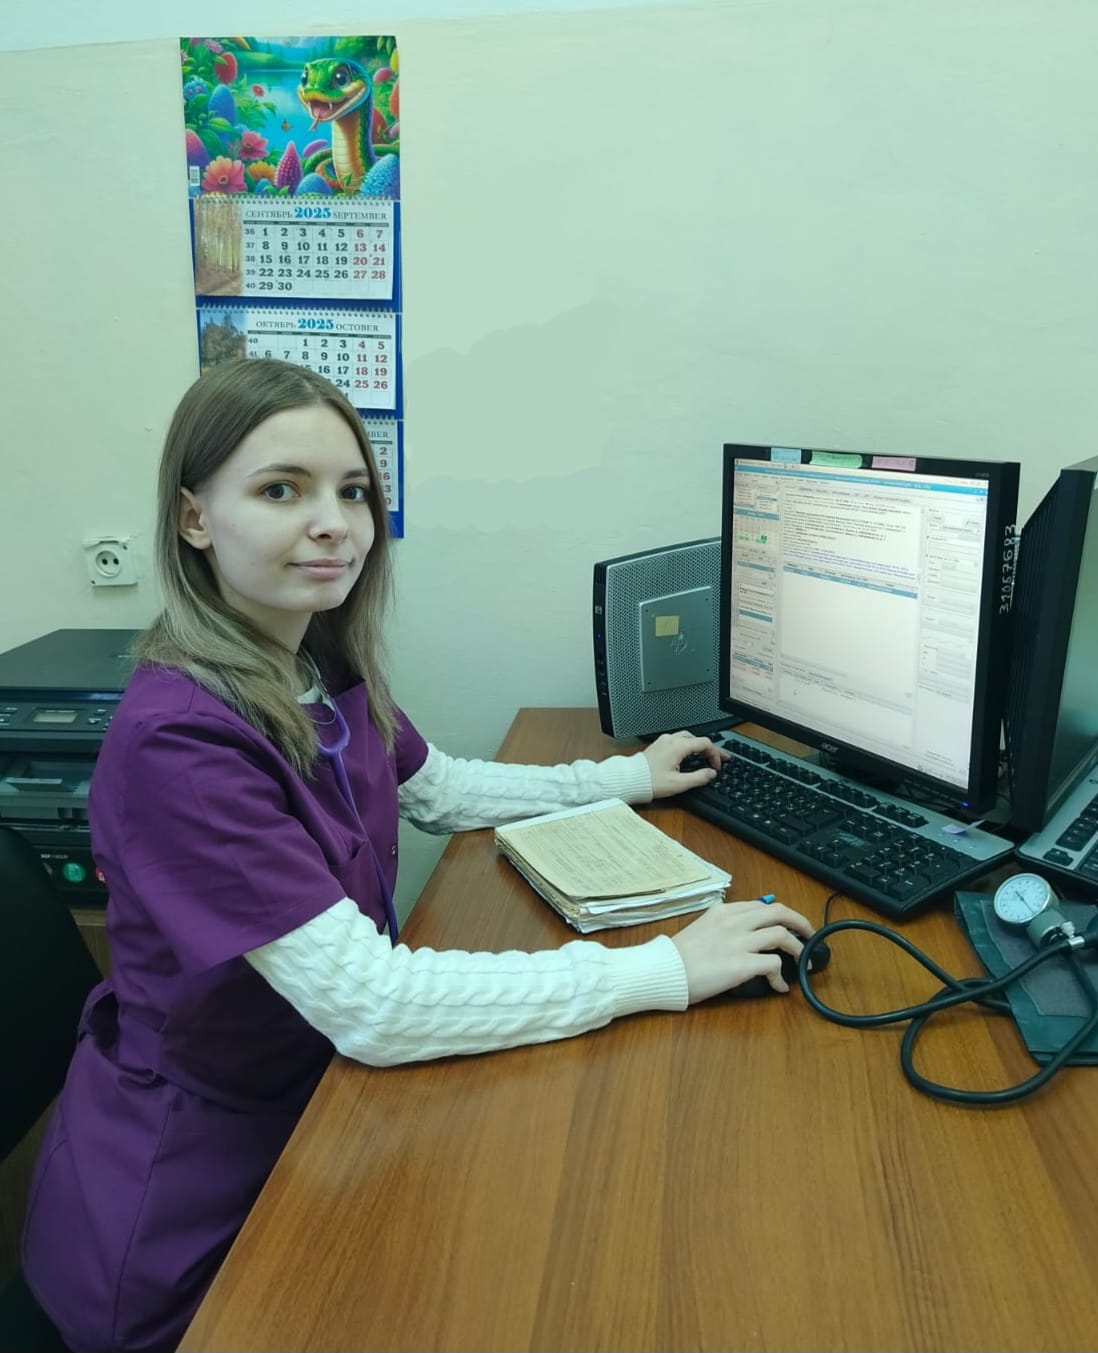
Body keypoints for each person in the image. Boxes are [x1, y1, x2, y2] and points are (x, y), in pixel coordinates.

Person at [22, 357, 814, 1353]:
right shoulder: (180, 743)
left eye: (352, 490)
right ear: (193, 518)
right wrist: (664, 969)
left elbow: (435, 787)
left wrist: (625, 778)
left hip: (321, 1109)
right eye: (282, 490)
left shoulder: (309, 658)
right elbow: (377, 1006)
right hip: (196, 1206)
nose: (335, 523)